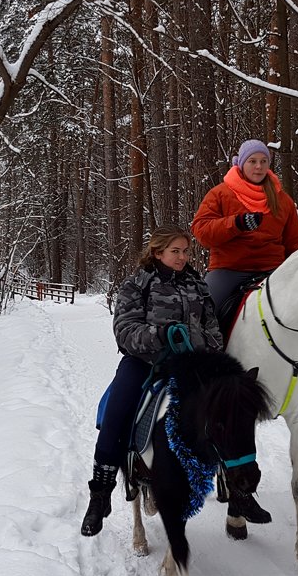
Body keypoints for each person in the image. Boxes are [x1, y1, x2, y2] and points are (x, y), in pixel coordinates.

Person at [80, 226, 272, 537]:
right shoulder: (137, 284)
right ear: (157, 253)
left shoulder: (197, 284)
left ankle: (240, 492)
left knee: (234, 408)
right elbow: (125, 329)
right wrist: (158, 335)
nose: (182, 257)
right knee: (117, 410)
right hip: (146, 363)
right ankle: (100, 493)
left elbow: (211, 326)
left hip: (192, 363)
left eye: (185, 251)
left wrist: (209, 352)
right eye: (175, 251)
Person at [192, 139, 298, 404]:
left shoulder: (281, 198)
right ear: (241, 163)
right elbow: (202, 232)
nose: (259, 166)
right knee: (204, 308)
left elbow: (296, 243)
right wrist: (235, 224)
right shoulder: (221, 194)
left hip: (273, 270)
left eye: (263, 161)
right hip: (229, 268)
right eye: (253, 161)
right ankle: (204, 372)